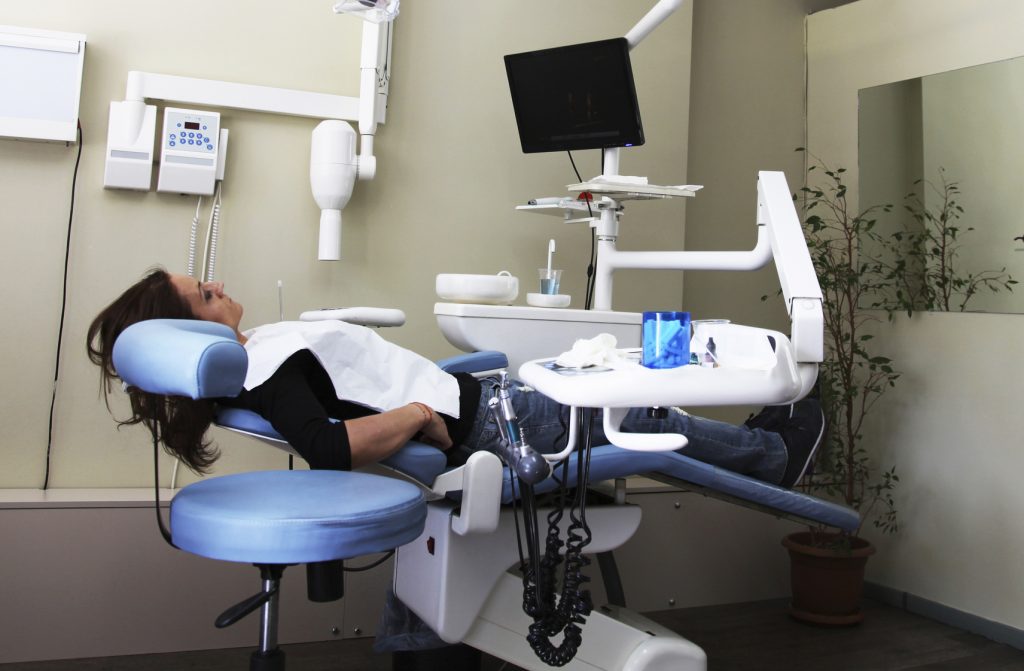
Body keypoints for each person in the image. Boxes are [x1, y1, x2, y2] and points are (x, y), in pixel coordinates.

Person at [87, 268, 825, 489]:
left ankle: (420, 645)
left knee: (628, 407)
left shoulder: (256, 350)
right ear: (199, 327)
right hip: (490, 425)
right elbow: (328, 444)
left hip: (480, 402)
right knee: (647, 418)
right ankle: (775, 457)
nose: (218, 283)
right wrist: (414, 413)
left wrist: (423, 391)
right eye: (205, 294)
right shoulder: (262, 367)